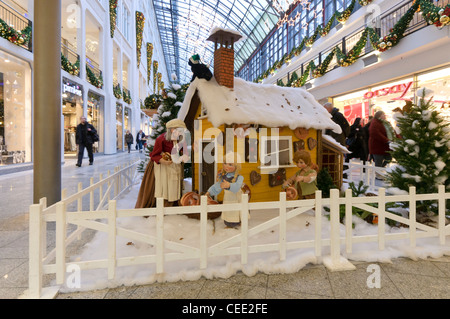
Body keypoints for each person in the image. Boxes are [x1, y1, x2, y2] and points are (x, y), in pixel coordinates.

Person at [135, 119, 189, 208]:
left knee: (174, 184)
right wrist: (162, 160)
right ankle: (165, 205)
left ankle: (174, 202)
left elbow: (184, 151)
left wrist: (184, 156)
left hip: (175, 165)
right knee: (164, 186)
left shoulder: (181, 139)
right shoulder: (161, 139)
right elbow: (154, 155)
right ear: (171, 129)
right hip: (163, 167)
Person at [205, 152, 245, 228]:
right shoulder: (224, 177)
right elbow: (217, 186)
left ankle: (238, 222)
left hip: (237, 198)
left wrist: (229, 185)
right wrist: (209, 192)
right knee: (229, 212)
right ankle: (229, 224)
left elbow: (236, 187)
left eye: (230, 164)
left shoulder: (239, 178)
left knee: (237, 212)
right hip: (228, 199)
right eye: (225, 163)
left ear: (236, 166)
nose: (226, 166)